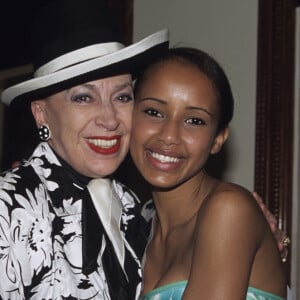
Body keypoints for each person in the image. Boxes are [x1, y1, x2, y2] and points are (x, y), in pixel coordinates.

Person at [0, 0, 168, 299]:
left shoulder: (129, 207)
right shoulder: (7, 208)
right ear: (41, 114)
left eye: (122, 97)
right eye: (83, 98)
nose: (109, 119)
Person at [129, 47, 287, 299]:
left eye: (194, 120)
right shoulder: (134, 229)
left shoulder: (228, 210)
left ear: (218, 139)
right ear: (128, 116)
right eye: (153, 112)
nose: (169, 135)